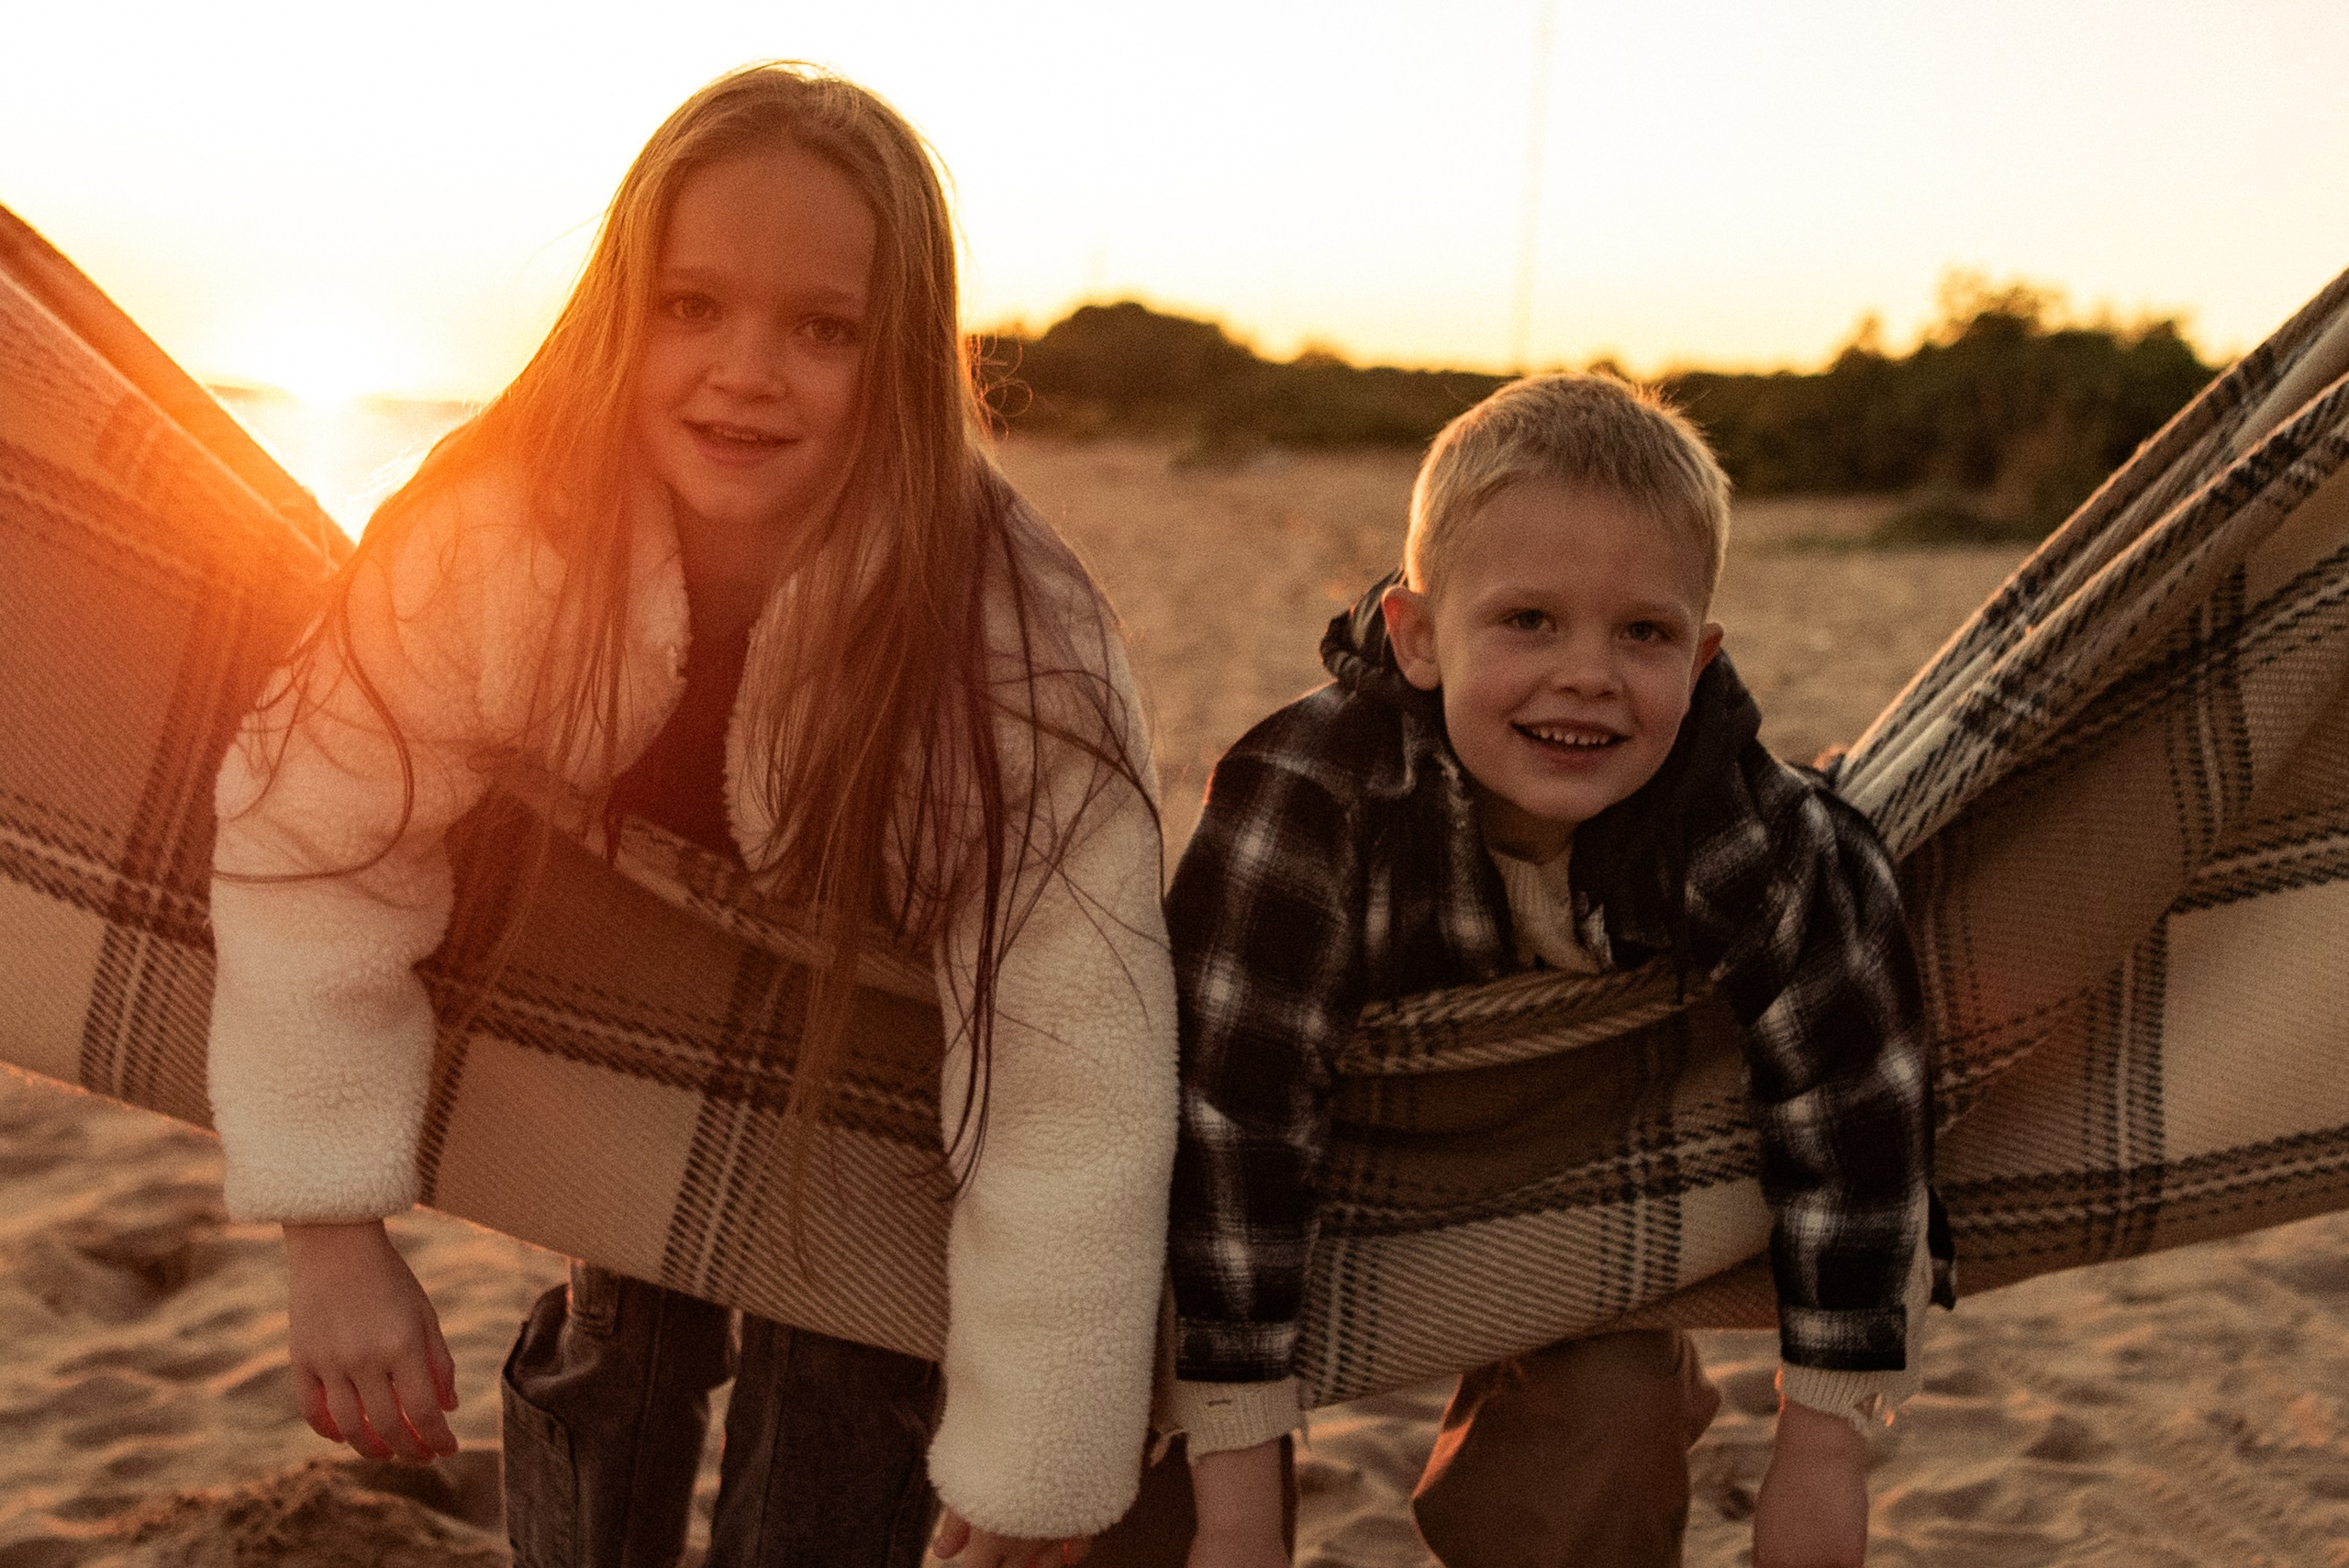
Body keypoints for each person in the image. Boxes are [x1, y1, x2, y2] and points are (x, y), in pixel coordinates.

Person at [205, 63, 1175, 1568]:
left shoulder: (1013, 637)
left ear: (904, 355)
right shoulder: (489, 534)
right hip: (617, 1023)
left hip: (885, 1072)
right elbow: (318, 828)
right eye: (692, 306)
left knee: (848, 1386)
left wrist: (1040, 1437)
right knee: (623, 1337)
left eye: (824, 329)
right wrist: (330, 1224)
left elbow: (1076, 1040)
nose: (748, 370)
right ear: (619, 313)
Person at [1161, 373, 1934, 1568]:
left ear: (1704, 651)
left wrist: (1826, 1448)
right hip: (1337, 1181)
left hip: (1593, 1194)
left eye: (1644, 631)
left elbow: (1856, 1104)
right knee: (1118, 1437)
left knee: (1609, 1413)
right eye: (1529, 620)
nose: (1589, 674)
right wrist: (1242, 1511)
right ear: (1417, 636)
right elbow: (1228, 1126)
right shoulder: (1310, 799)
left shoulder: (1738, 826)